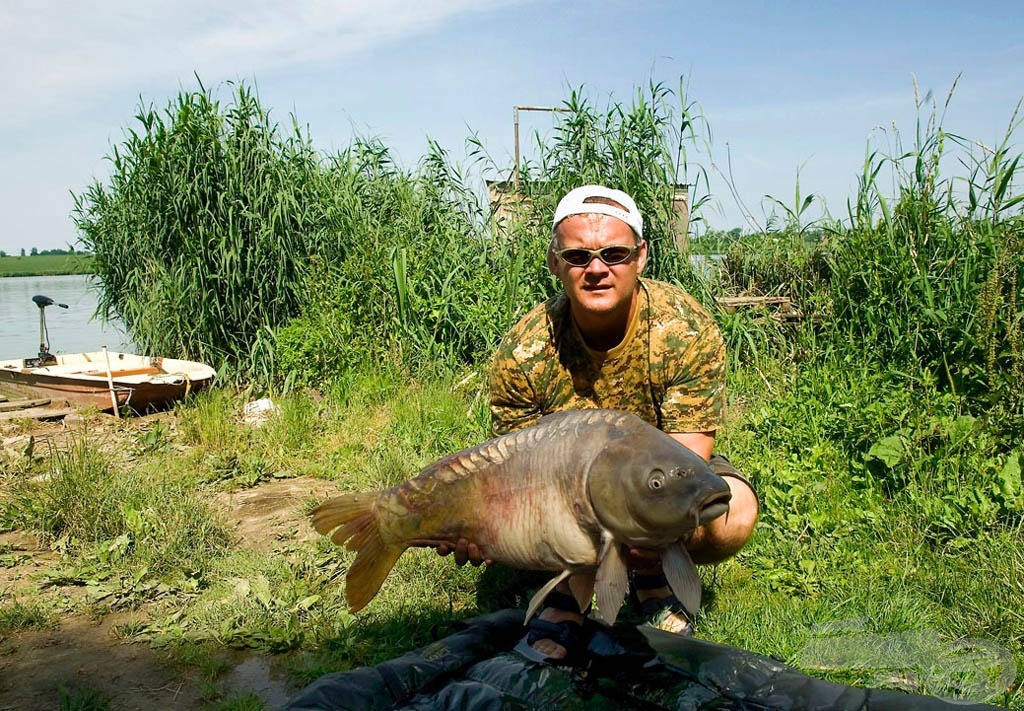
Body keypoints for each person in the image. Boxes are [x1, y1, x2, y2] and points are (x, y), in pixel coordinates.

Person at [439, 185, 759, 663]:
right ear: (554, 262)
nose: (596, 268)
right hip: (556, 488)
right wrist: (480, 526)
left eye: (614, 253)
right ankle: (571, 591)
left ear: (641, 257)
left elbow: (688, 461)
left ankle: (651, 570)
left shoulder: (684, 329)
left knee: (735, 513)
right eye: (578, 255)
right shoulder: (523, 350)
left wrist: (642, 527)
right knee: (494, 518)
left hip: (653, 471)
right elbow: (516, 474)